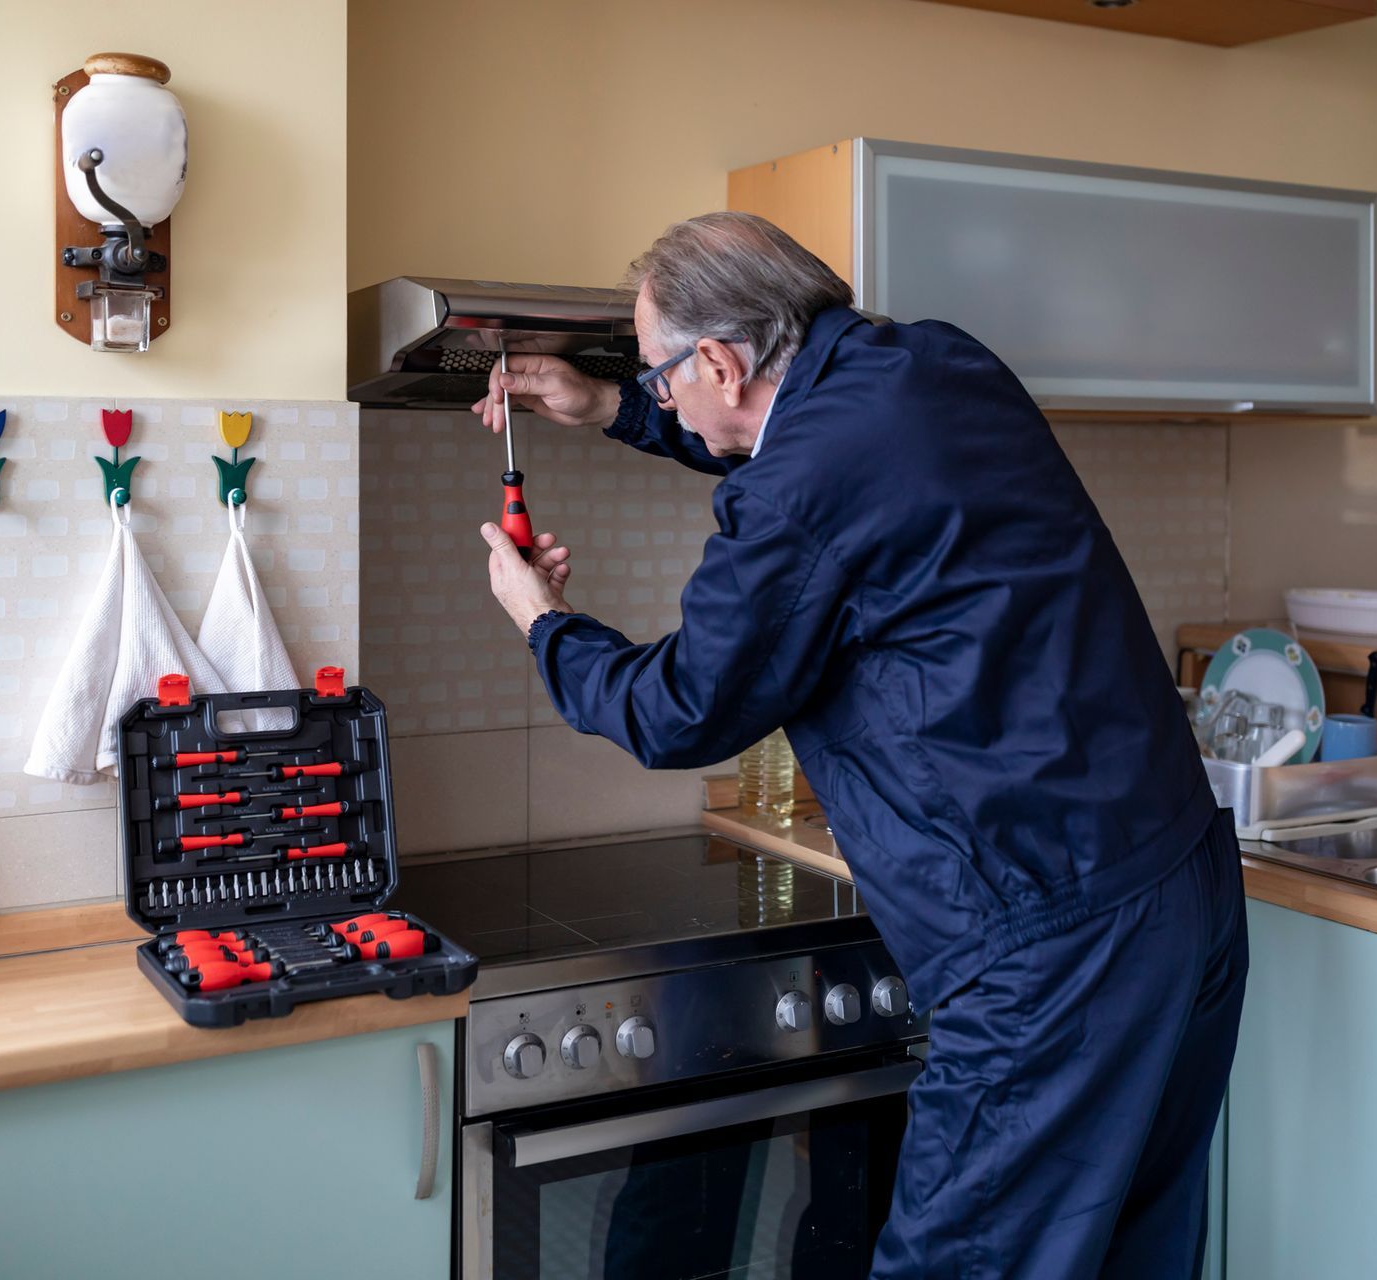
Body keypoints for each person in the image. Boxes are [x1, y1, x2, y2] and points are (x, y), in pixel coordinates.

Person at [473, 211, 1248, 1279]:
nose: (662, 399)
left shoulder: (799, 488)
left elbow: (681, 708)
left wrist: (542, 619)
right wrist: (607, 404)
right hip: (1178, 879)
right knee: (1132, 1256)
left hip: (1047, 937)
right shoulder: (932, 360)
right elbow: (796, 441)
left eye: (658, 378)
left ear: (720, 359)